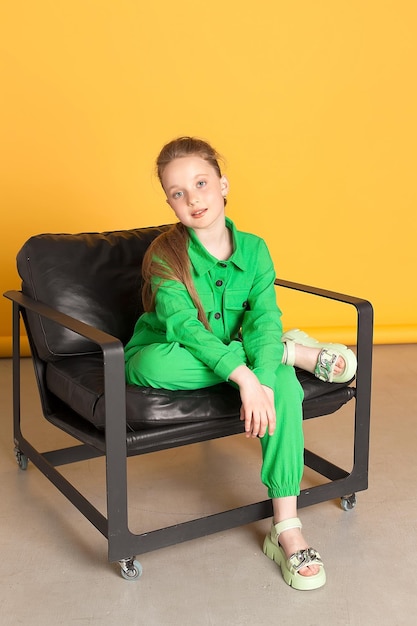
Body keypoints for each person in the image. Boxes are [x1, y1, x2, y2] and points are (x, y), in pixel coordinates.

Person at [125, 136, 357, 591]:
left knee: (284, 385)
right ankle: (287, 354)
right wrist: (248, 377)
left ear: (222, 184)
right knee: (150, 366)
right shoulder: (163, 255)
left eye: (201, 183)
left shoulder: (254, 249)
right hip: (173, 351)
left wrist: (265, 377)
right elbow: (185, 330)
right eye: (178, 192)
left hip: (236, 351)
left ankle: (286, 527)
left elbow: (265, 317)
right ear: (169, 202)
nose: (192, 199)